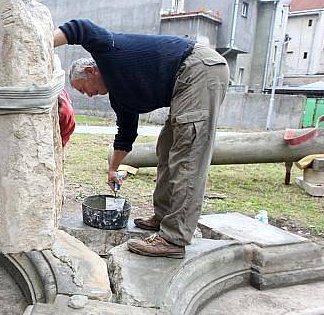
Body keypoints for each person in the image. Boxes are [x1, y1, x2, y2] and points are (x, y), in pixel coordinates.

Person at [54, 19, 229, 259]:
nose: (89, 95)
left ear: (90, 71)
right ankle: (163, 218)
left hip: (199, 69)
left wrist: (42, 44)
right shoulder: (120, 95)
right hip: (185, 80)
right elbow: (126, 135)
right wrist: (112, 169)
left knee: (187, 158)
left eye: (84, 89)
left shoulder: (109, 53)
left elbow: (82, 29)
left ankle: (173, 239)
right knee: (166, 149)